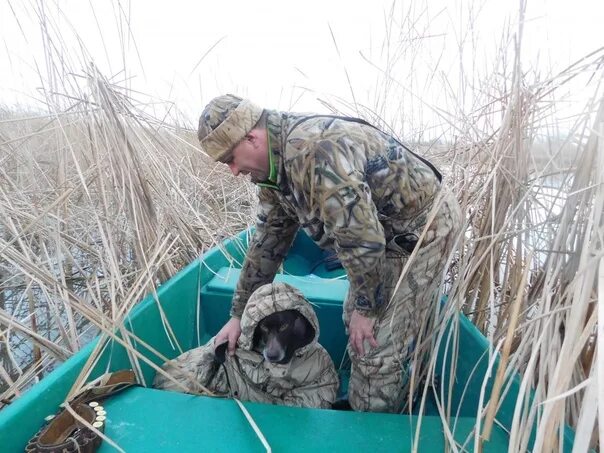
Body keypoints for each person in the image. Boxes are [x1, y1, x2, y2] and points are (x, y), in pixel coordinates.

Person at [197, 94, 462, 413]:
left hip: (422, 231)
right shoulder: (273, 170)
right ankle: (378, 385)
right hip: (378, 235)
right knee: (356, 320)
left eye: (230, 158)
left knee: (373, 344)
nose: (233, 170)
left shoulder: (315, 153)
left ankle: (371, 431)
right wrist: (238, 315)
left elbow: (363, 240)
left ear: (252, 138)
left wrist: (368, 306)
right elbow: (268, 242)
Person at [154, 282, 338, 409]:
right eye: (265, 328)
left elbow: (319, 394)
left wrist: (269, 413)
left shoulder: (316, 360)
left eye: (283, 327)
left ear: (299, 322)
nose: (273, 349)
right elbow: (172, 380)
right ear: (255, 326)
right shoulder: (233, 346)